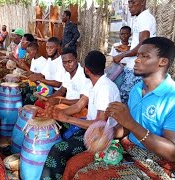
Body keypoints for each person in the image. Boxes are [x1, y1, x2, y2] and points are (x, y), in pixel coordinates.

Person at [63, 37, 175, 179]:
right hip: (130, 149)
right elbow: (127, 129)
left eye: (145, 56)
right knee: (74, 164)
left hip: (160, 164)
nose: (137, 60)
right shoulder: (137, 89)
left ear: (163, 62)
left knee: (88, 177)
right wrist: (105, 132)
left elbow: (174, 153)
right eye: (138, 55)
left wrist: (130, 123)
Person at [40, 51, 121, 180]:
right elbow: (78, 106)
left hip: (100, 136)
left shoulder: (105, 88)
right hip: (89, 128)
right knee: (58, 125)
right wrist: (57, 114)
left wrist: (67, 118)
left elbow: (99, 124)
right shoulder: (92, 83)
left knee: (57, 150)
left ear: (86, 69)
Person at [113, 0, 156, 104]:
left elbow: (144, 44)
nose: (130, 6)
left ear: (142, 2)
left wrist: (122, 55)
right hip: (135, 67)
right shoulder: (141, 18)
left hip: (137, 69)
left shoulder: (145, 18)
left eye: (133, 3)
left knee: (126, 100)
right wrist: (127, 50)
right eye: (129, 3)